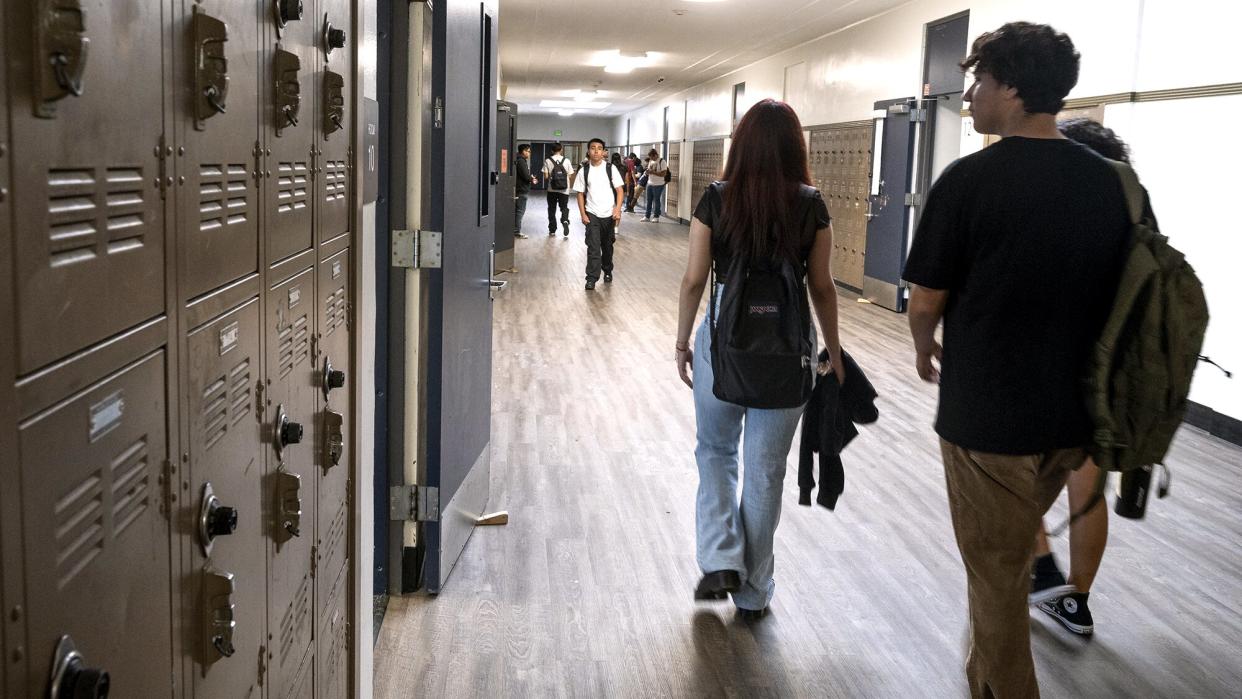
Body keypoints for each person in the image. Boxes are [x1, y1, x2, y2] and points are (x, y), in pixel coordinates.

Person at [902, 23, 1137, 698]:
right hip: (1073, 415)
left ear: (1010, 88)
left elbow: (925, 301)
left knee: (997, 576)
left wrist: (924, 348)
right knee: (998, 565)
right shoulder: (1113, 184)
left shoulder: (970, 179)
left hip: (989, 418)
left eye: (978, 82)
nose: (969, 96)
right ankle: (980, 679)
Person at [674, 99, 842, 620]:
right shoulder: (811, 204)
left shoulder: (716, 199)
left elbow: (695, 280)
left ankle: (721, 559)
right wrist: (833, 353)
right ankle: (753, 592)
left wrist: (683, 343)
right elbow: (822, 286)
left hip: (721, 348)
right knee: (766, 471)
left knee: (716, 453)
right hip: (788, 354)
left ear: (740, 143)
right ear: (797, 146)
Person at [1029, 117, 1143, 636]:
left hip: (1053, 364)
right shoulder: (1133, 202)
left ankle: (1036, 570)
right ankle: (1076, 598)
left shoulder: (1057, 202)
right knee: (1088, 488)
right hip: (1115, 366)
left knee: (1017, 480)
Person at [572, 138, 625, 290]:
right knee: (593, 247)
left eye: (599, 148)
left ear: (604, 152)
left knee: (607, 247)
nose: (596, 151)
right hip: (592, 213)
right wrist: (583, 214)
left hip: (609, 214)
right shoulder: (584, 171)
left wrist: (618, 208)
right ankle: (591, 278)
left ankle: (607, 270)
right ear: (588, 151)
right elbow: (580, 194)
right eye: (593, 148)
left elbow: (620, 190)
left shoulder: (611, 168)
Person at [543, 143, 575, 237]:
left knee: (551, 209)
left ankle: (552, 229)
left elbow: (546, 176)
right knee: (564, 207)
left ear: (552, 151)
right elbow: (570, 174)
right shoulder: (567, 160)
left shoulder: (548, 160)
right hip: (564, 190)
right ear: (561, 150)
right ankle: (565, 220)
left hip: (551, 190)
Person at [513, 144, 536, 239]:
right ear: (524, 151)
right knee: (520, 211)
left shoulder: (518, 159)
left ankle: (515, 229)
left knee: (518, 211)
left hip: (519, 189)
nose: (529, 153)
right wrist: (532, 178)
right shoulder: (521, 161)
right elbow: (526, 176)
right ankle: (517, 231)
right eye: (529, 151)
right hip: (522, 190)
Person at [643, 148, 670, 222]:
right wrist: (647, 172)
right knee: (649, 200)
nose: (651, 159)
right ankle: (647, 216)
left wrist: (653, 172)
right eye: (650, 158)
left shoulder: (662, 161)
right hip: (650, 183)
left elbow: (664, 174)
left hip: (658, 184)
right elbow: (649, 171)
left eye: (652, 157)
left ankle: (656, 216)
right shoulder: (651, 161)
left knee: (656, 200)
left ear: (656, 155)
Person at [610, 152, 628, 238]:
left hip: (611, 188)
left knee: (611, 206)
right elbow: (627, 179)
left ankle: (610, 225)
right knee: (618, 207)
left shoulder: (609, 167)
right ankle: (616, 227)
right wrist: (626, 190)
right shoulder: (624, 167)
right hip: (621, 188)